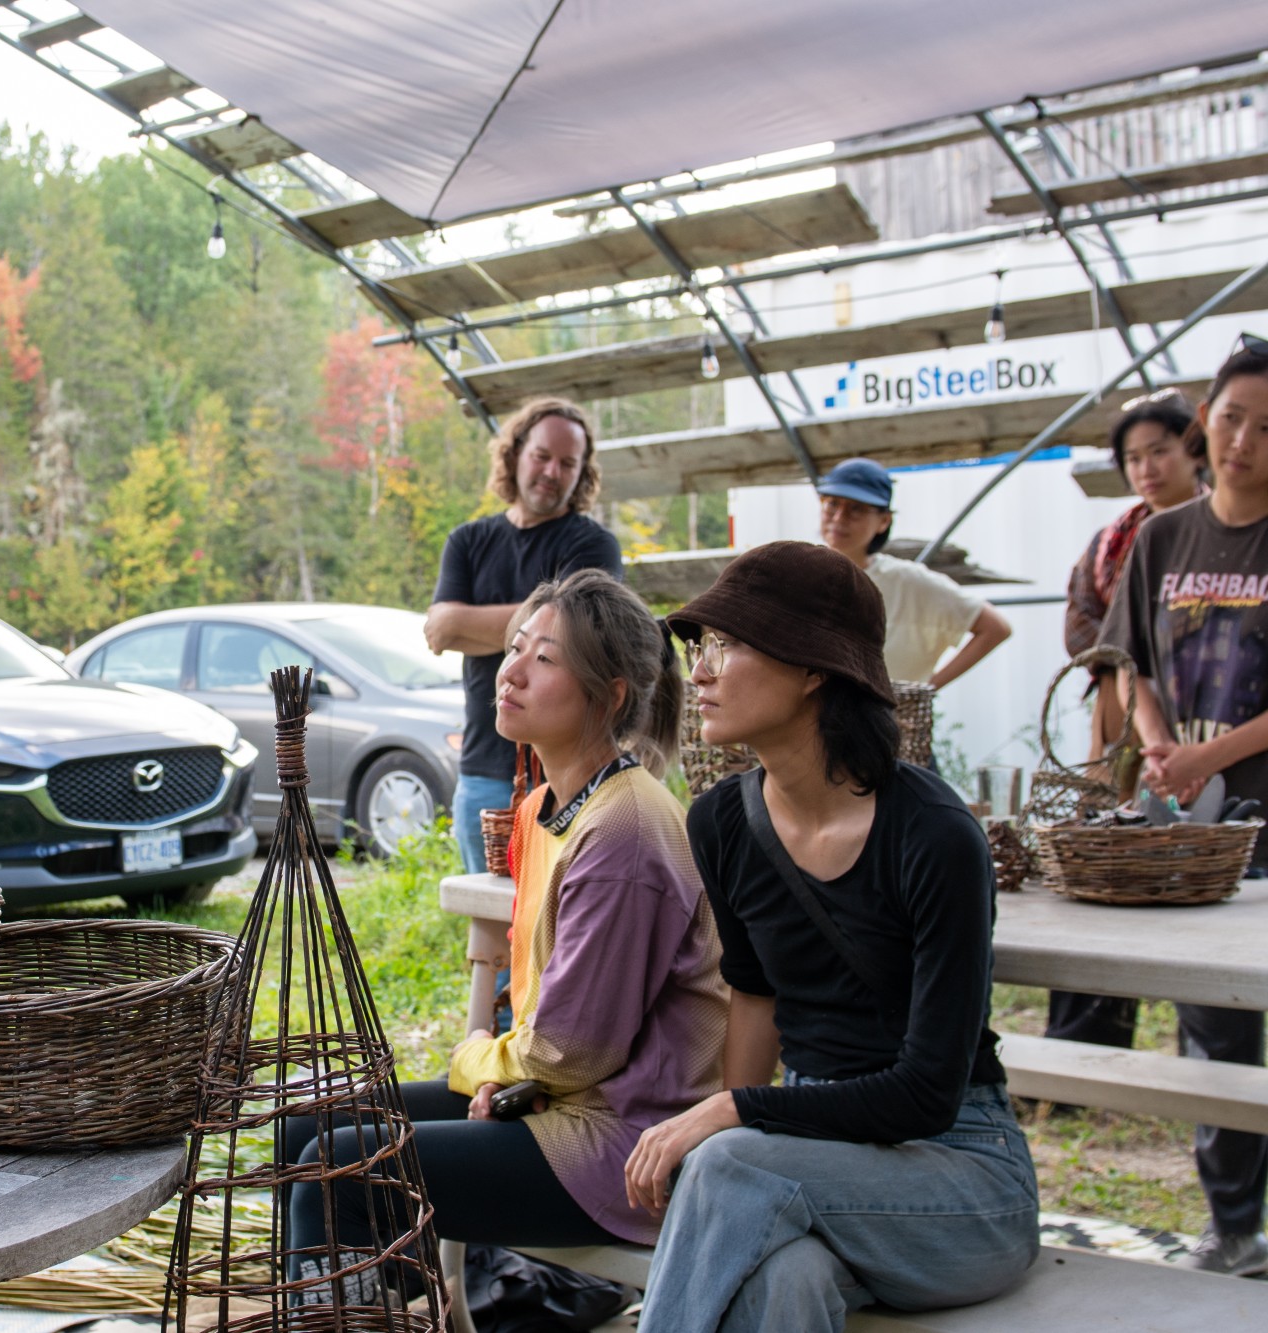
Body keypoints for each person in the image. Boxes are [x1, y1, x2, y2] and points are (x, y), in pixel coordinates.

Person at [632, 541, 1037, 1332]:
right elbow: (754, 996)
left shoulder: (935, 835)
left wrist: (733, 1114)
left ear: (814, 667)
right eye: (699, 646)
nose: (700, 672)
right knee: (782, 1280)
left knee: (729, 1158)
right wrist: (736, 1116)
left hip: (961, 1171)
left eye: (727, 644)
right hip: (806, 1159)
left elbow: (927, 1092)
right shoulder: (721, 822)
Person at [285, 570, 726, 1295]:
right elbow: (550, 1033)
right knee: (303, 1130)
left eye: (544, 658)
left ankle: (354, 1310)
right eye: (516, 647)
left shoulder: (625, 829)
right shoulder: (545, 806)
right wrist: (504, 1075)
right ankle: (377, 1307)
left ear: (611, 694)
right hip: (552, 1099)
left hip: (622, 1140)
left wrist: (479, 1061)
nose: (511, 671)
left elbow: (570, 1051)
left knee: (341, 1173)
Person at [1100, 334, 1268, 1277]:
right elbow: (1131, 662)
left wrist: (1208, 754)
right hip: (1197, 834)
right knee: (1216, 1026)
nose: (1243, 441)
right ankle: (1234, 1225)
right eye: (1233, 418)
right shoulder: (1162, 537)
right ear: (1207, 418)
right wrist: (1160, 743)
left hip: (1256, 805)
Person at [1049, 390, 1204, 1053]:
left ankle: (1201, 1035)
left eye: (1159, 451)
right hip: (1121, 719)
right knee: (1108, 863)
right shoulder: (1115, 540)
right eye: (1134, 457)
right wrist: (1130, 674)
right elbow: (1086, 625)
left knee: (1193, 868)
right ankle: (1090, 1039)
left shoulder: (1223, 531)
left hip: (1204, 722)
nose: (1147, 468)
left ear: (1192, 451)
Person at [426, 398, 624, 873]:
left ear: (582, 472)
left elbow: (579, 635)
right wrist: (541, 627)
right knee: (486, 913)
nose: (552, 472)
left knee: (562, 911)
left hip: (567, 773)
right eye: (542, 456)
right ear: (515, 454)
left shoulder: (593, 544)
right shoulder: (467, 541)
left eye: (568, 463)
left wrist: (471, 625)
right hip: (483, 769)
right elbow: (440, 631)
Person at [815, 457, 1010, 688]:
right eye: (832, 504)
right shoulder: (801, 574)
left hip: (884, 711)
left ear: (884, 521)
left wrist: (926, 689)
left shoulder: (909, 581)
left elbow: (995, 628)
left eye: (856, 508)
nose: (839, 517)